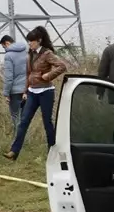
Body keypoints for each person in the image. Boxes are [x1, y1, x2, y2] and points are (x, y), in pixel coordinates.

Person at [4, 26, 67, 161]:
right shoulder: (30, 54)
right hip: (32, 92)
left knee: (47, 122)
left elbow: (62, 66)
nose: (29, 43)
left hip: (46, 92)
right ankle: (14, 152)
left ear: (38, 41)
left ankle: (53, 152)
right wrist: (25, 91)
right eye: (28, 41)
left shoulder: (47, 53)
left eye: (31, 41)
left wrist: (49, 75)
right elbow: (28, 74)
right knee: (24, 121)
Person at [0, 34, 28, 129]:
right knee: (25, 117)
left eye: (4, 47)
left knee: (16, 117)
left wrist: (6, 93)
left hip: (15, 92)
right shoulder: (26, 51)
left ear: (7, 43)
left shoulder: (8, 55)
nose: (4, 49)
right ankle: (25, 140)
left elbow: (9, 77)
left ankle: (17, 140)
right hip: (27, 89)